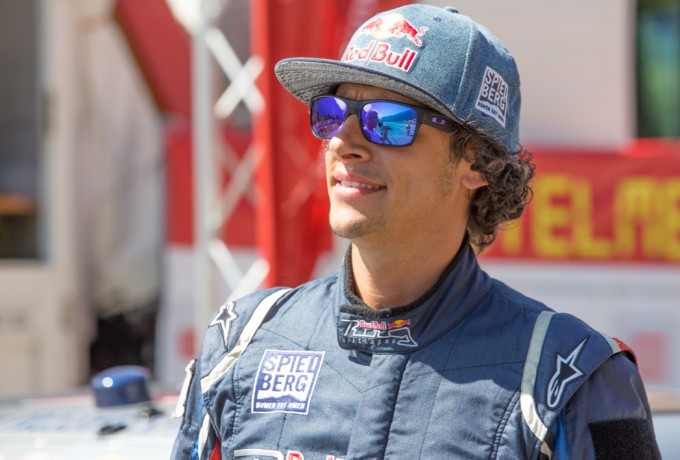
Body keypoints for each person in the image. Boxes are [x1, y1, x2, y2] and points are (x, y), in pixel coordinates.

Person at [172, 4, 660, 459]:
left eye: (388, 122)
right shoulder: (242, 342)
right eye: (332, 114)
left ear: (478, 161)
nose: (344, 142)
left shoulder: (570, 374)